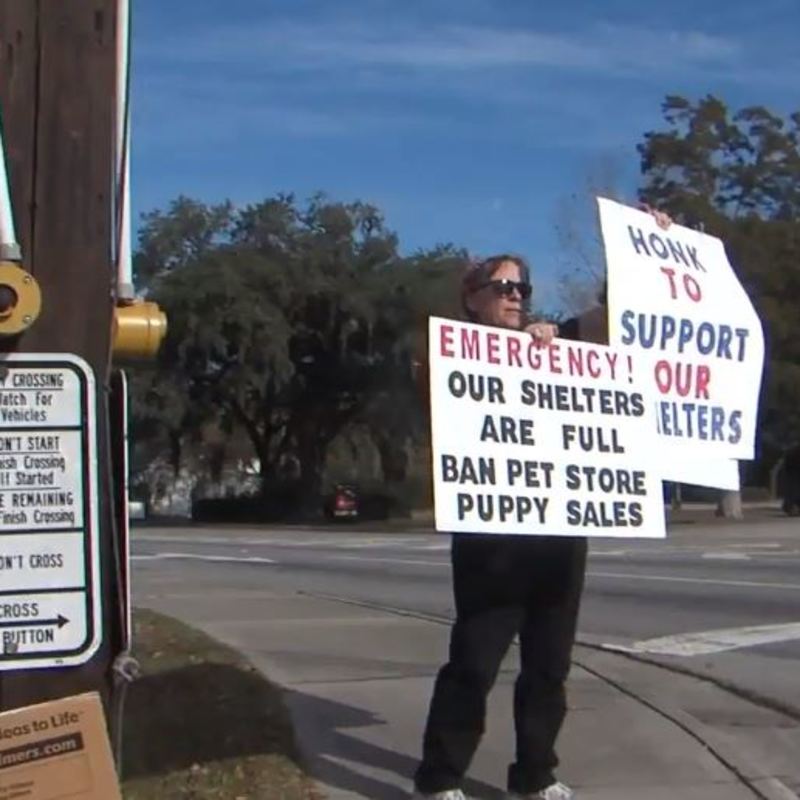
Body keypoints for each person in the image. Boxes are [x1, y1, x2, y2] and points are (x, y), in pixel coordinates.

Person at [412, 253, 582, 800]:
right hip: (493, 542)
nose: (515, 296)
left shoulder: (555, 348)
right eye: (502, 286)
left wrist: (654, 240)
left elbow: (619, 319)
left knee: (549, 668)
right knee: (474, 666)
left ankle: (536, 777)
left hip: (559, 539)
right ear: (472, 297)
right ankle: (439, 781)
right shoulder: (452, 354)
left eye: (522, 288)